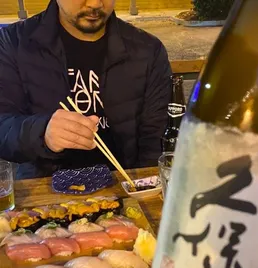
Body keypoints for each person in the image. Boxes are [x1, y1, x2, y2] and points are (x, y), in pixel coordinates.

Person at [0, 0, 172, 179]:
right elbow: (3, 128)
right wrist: (43, 133)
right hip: (45, 192)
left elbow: (157, 141)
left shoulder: (147, 51)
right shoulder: (15, 43)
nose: (95, 3)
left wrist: (144, 191)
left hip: (125, 186)